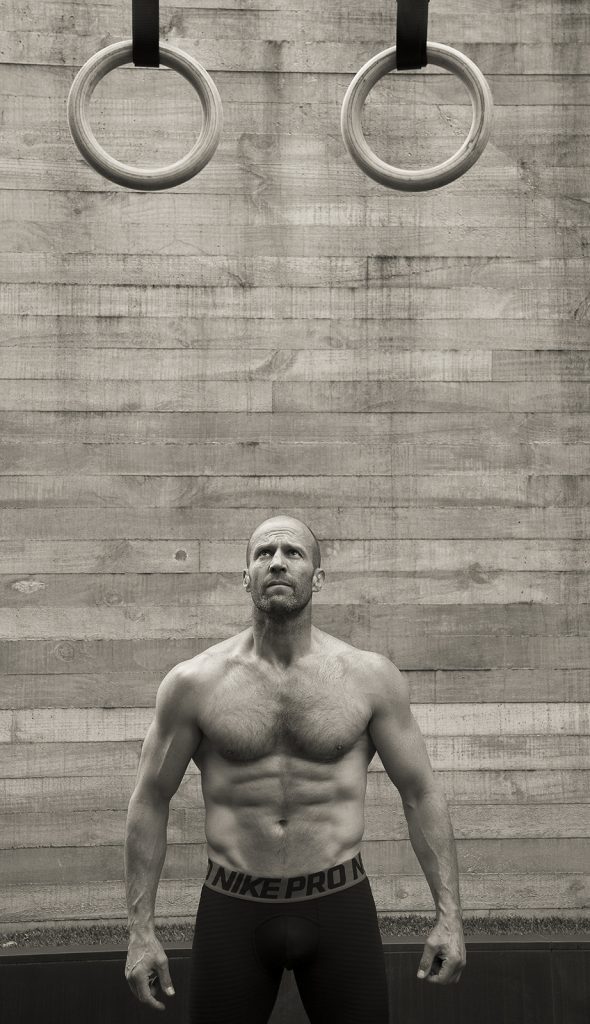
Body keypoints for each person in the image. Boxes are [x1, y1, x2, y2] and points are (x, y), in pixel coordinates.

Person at [124, 514, 466, 1022]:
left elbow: (421, 794)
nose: (278, 562)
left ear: (318, 577)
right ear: (245, 577)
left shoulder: (369, 678)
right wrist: (140, 930)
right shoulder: (194, 683)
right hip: (233, 905)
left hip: (338, 900)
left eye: (293, 552)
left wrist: (450, 916)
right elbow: (151, 800)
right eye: (264, 553)